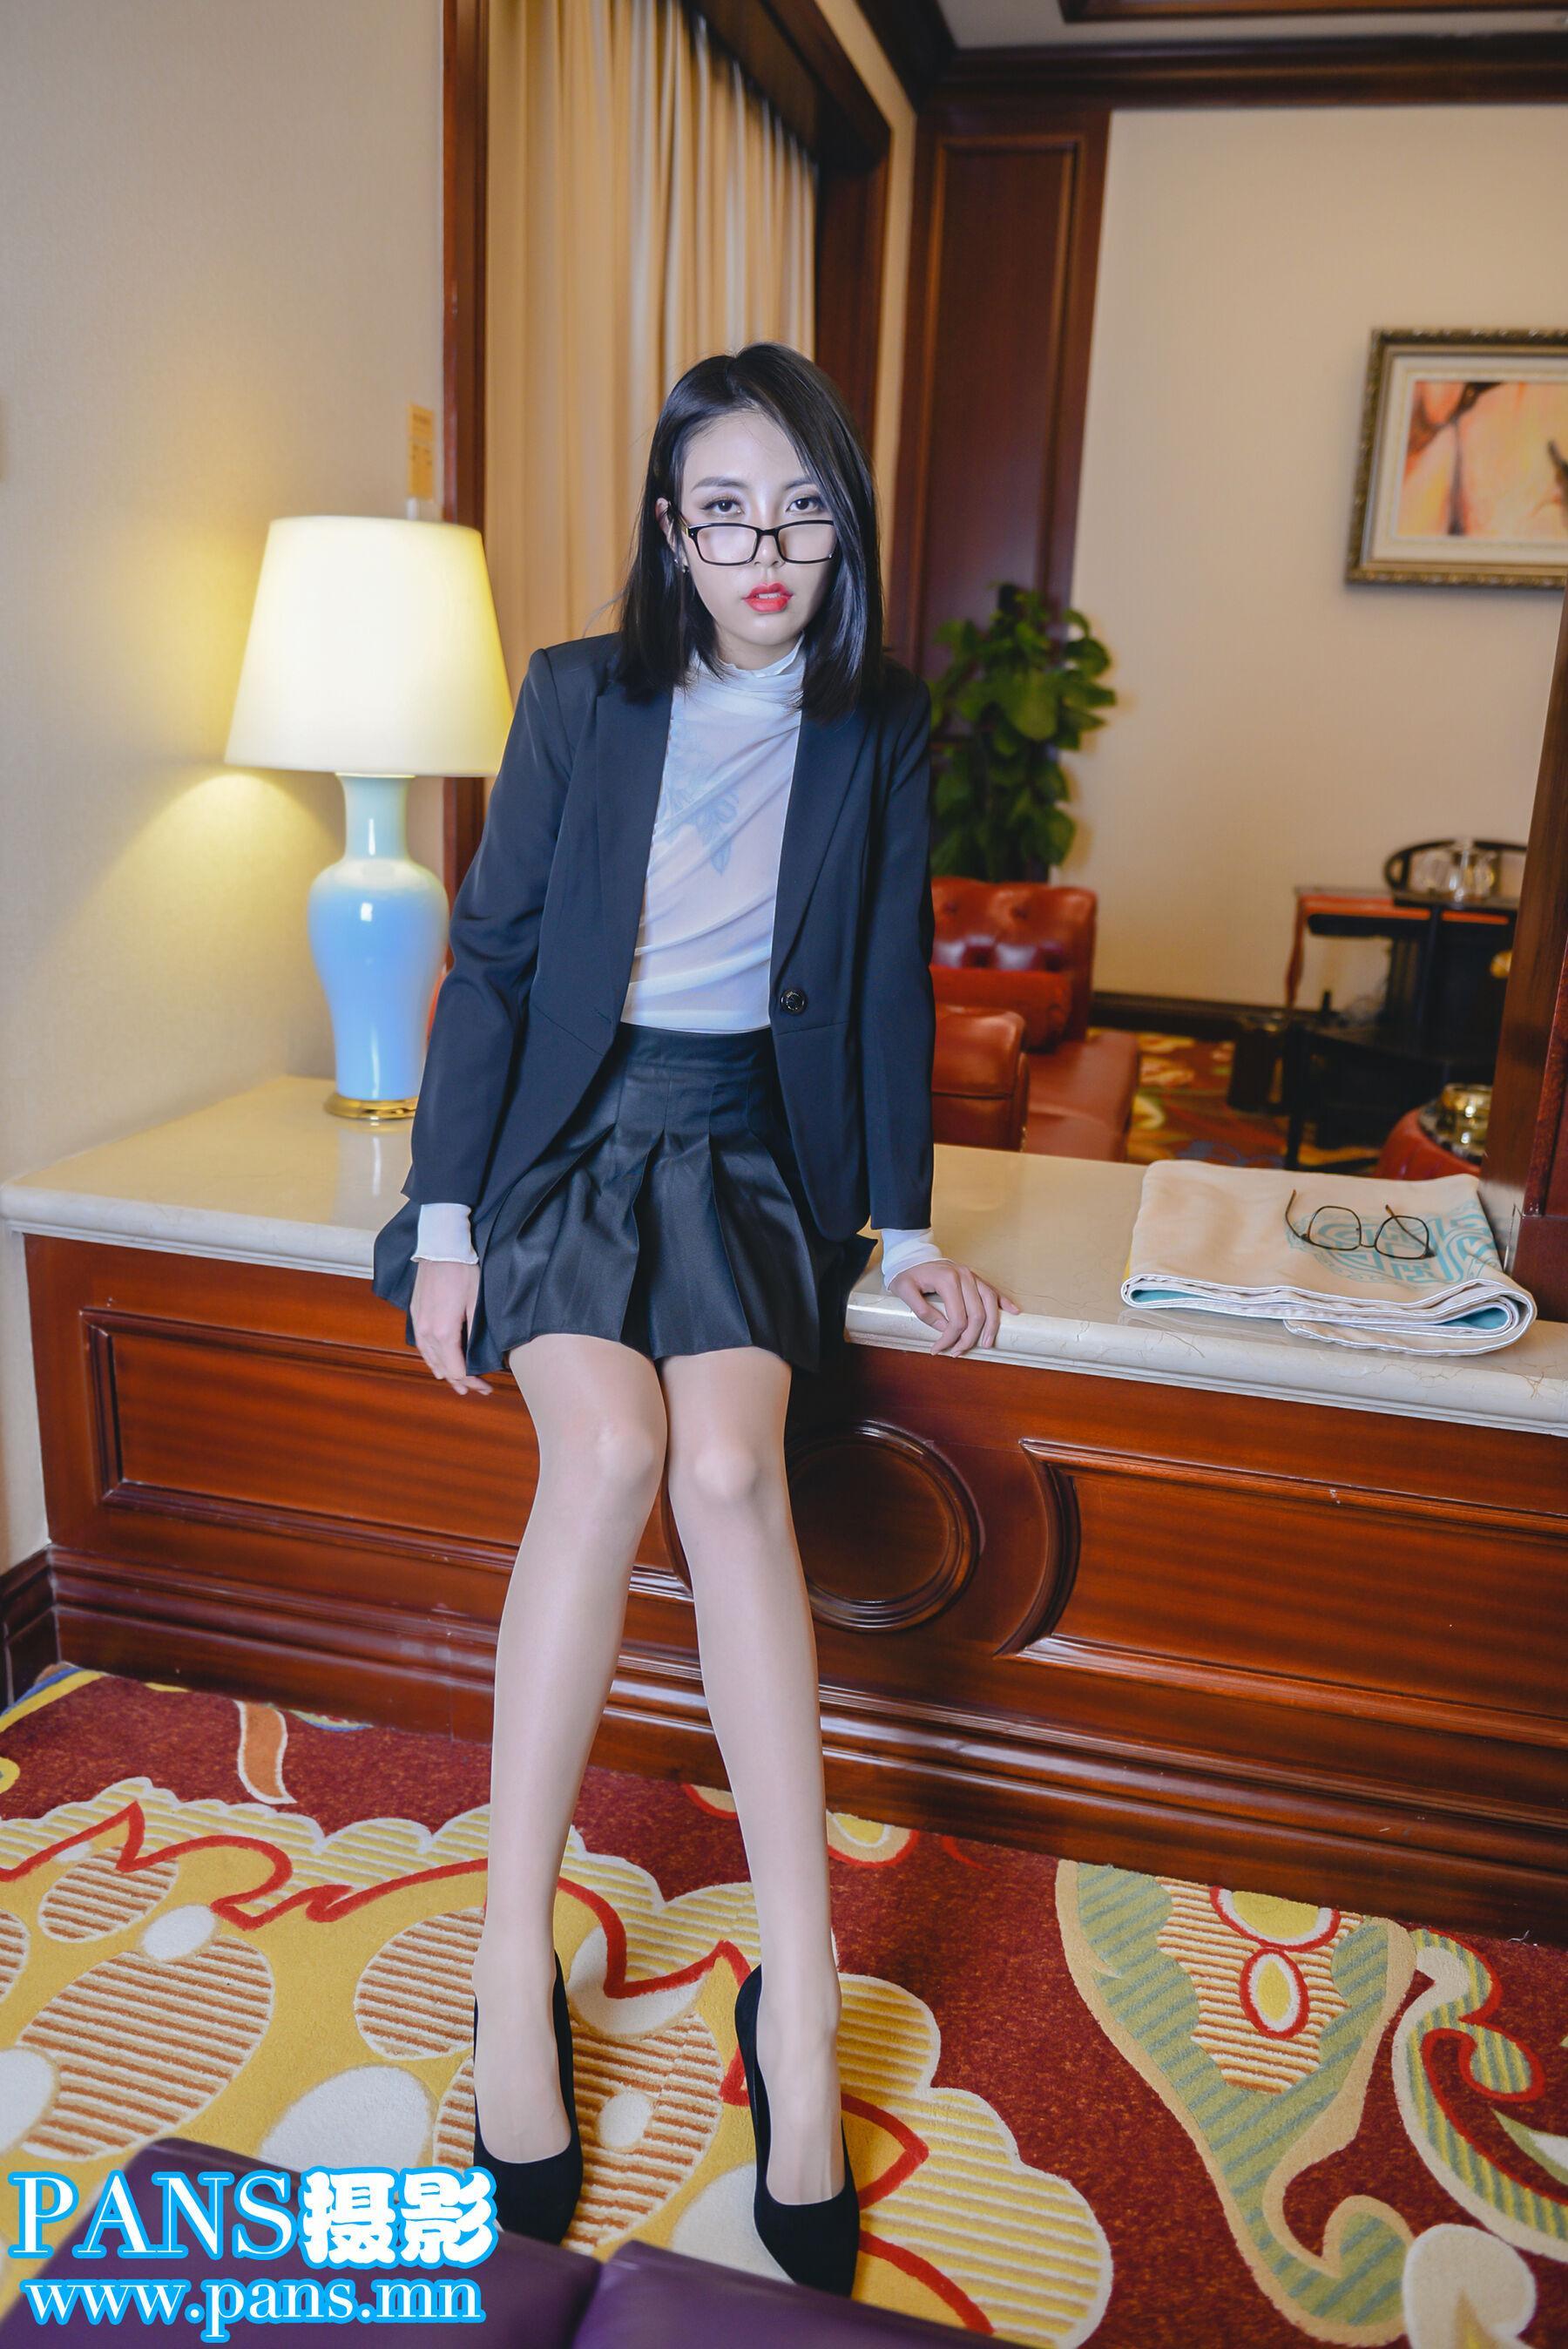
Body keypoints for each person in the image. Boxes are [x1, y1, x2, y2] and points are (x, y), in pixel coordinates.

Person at [371, 342, 1018, 2294]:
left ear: (844, 532)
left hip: (746, 1156)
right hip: (569, 1145)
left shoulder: (880, 719)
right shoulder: (579, 694)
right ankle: (509, 1961)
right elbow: (494, 964)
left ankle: (795, 1998)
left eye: (800, 514)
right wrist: (449, 1223)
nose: (764, 553)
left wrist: (908, 1230)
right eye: (724, 514)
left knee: (732, 1471)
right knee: (614, 1445)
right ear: (671, 529)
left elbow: (888, 981)